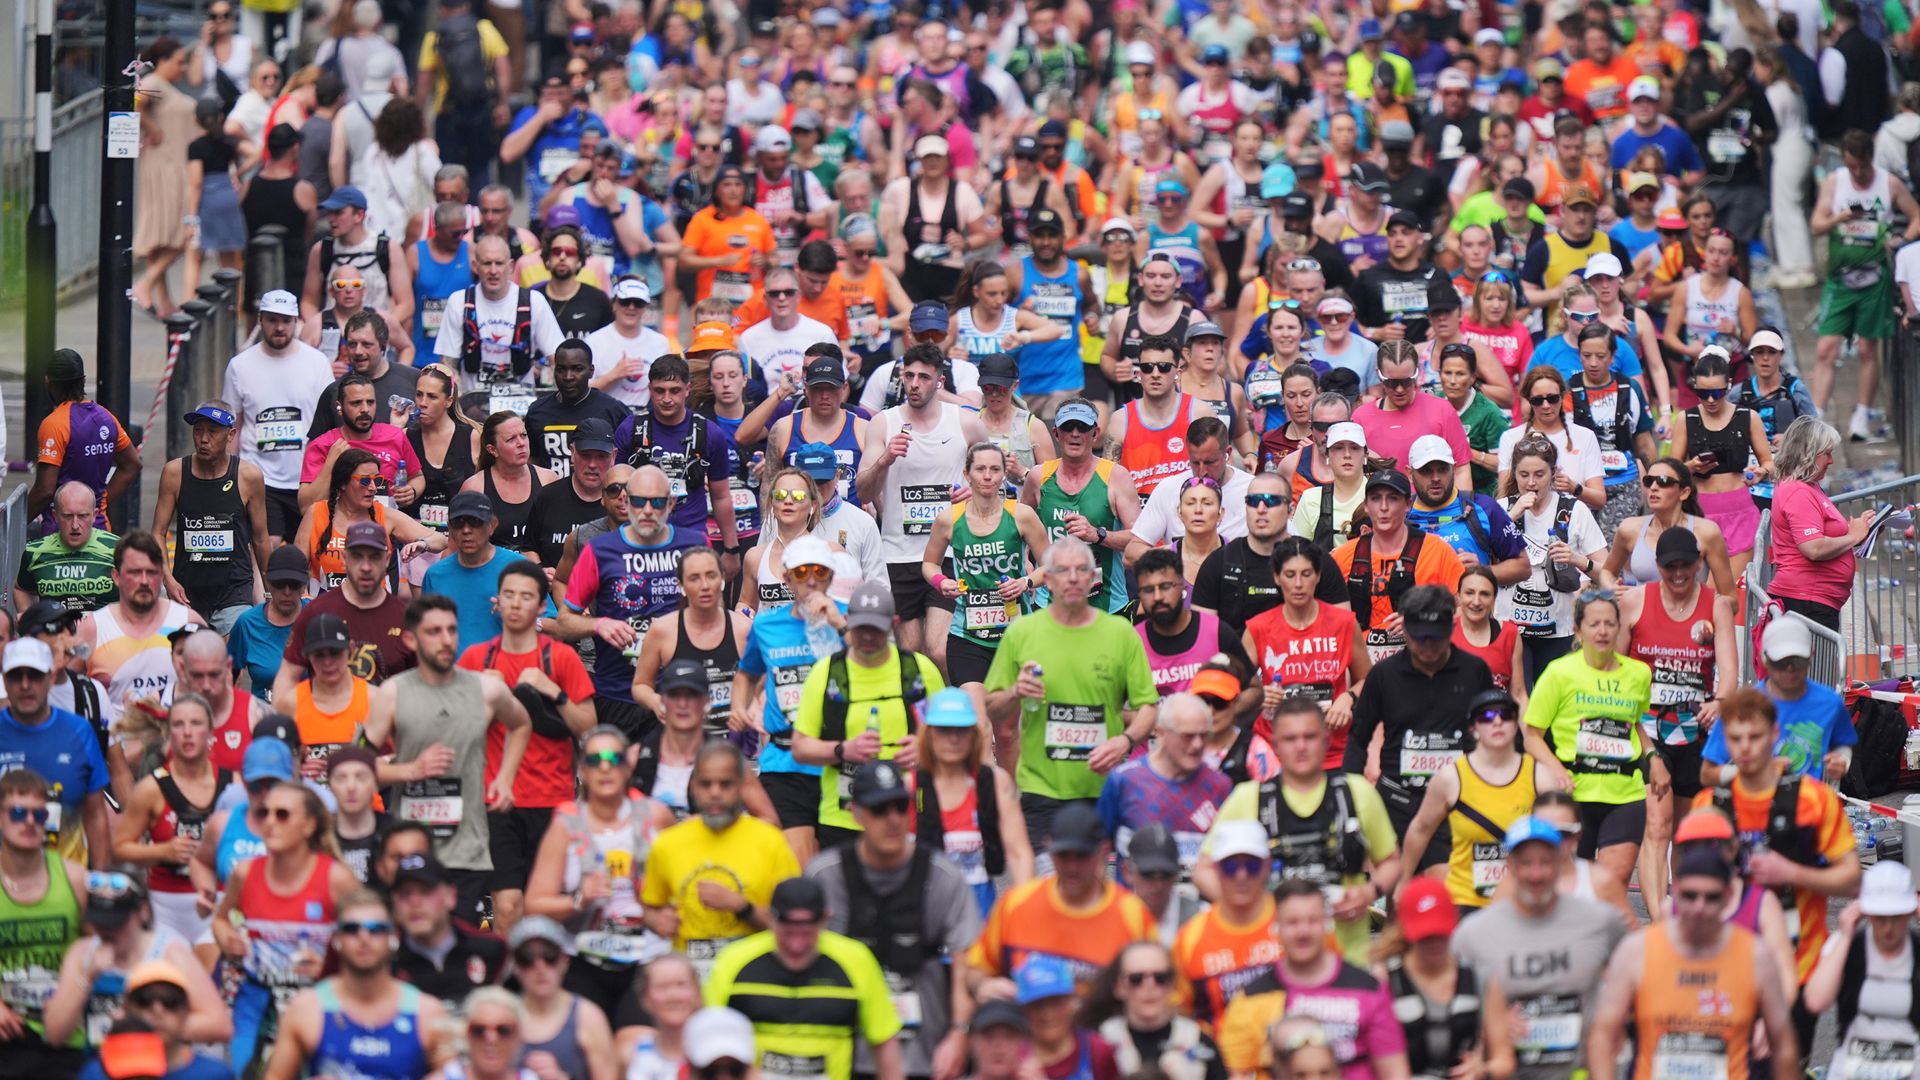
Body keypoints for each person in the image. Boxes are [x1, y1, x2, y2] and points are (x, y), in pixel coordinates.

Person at [1694, 687, 1860, 1052]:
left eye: (1755, 737)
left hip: (1799, 963)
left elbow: (1851, 879)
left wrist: (1792, 874)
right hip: (1726, 967)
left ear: (1774, 734)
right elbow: (1689, 890)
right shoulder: (1708, 805)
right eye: (1736, 739)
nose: (1746, 748)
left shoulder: (1813, 799)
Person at [806, 760, 982, 1080]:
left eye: (901, 807)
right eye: (879, 809)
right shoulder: (825, 876)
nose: (893, 820)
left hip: (925, 1052)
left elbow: (966, 963)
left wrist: (960, 1034)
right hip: (848, 1051)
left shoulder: (943, 876)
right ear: (856, 813)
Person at [361, 596, 530, 922]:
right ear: (411, 639)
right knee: (414, 942)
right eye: (434, 631)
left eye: (452, 630)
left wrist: (506, 778)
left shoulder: (486, 690)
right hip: (410, 850)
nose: (446, 640)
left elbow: (521, 724)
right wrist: (411, 770)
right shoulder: (392, 693)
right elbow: (357, 766)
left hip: (466, 849)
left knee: (458, 941)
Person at [454, 559, 594, 930]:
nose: (516, 603)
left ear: (541, 606)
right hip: (496, 800)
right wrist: (486, 699)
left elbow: (590, 729)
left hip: (552, 799)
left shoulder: (561, 657)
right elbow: (455, 735)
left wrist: (554, 693)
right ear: (496, 602)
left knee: (543, 907)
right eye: (509, 595)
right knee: (507, 907)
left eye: (526, 596)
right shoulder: (475, 659)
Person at [1584, 845, 1799, 1080]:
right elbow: (1603, 1035)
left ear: (1728, 896)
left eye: (1711, 897)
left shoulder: (1756, 956)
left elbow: (1784, 1045)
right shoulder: (1637, 951)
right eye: (1690, 896)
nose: (1699, 908)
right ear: (1675, 892)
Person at [1449, 815, 1629, 1079]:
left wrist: (1615, 1021)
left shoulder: (1600, 921)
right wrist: (1490, 1023)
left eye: (1545, 862)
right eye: (1526, 863)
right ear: (1509, 865)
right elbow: (1445, 1003)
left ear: (1559, 862)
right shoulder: (1473, 934)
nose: (1536, 874)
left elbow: (1636, 974)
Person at [1619, 526, 1736, 915]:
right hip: (1648, 729)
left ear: (1699, 563)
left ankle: (1683, 914)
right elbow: (1614, 668)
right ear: (1658, 567)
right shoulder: (1635, 601)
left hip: (1694, 728)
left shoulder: (1716, 605)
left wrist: (1720, 701)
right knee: (1657, 825)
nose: (1679, 574)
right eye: (1671, 567)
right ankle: (1658, 921)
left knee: (1685, 832)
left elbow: (1729, 671)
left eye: (1686, 565)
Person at [522, 725, 674, 1014]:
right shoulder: (565, 827)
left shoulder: (656, 816)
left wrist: (666, 912)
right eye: (595, 761)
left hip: (648, 959)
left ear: (628, 767)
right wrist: (579, 899)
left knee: (635, 1036)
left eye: (614, 759)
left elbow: (681, 884)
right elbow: (534, 904)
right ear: (583, 769)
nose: (605, 768)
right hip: (583, 958)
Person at [210, 781, 359, 1072]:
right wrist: (226, 938)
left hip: (317, 999)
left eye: (282, 815)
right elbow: (220, 919)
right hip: (255, 1002)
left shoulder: (335, 878)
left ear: (308, 825)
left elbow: (369, 934)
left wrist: (330, 963)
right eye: (264, 813)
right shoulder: (245, 872)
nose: (269, 822)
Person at [1343, 584, 1496, 868]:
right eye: (1418, 638)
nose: (1427, 646)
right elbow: (1357, 739)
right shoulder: (1383, 675)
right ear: (1404, 630)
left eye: (1435, 638)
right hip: (1397, 801)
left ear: (1451, 628)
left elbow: (1495, 733)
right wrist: (1351, 799)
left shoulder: (1474, 671)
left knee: (1448, 885)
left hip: (1454, 802)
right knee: (1394, 885)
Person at [790, 582, 947, 847]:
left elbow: (952, 738)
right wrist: (843, 750)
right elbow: (800, 747)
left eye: (876, 628)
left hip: (907, 816)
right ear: (848, 621)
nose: (868, 637)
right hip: (843, 818)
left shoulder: (920, 670)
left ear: (894, 623)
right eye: (861, 628)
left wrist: (925, 749)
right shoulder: (825, 673)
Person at [857, 346, 986, 668]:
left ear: (940, 381)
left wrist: (973, 491)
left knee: (939, 650)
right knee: (912, 656)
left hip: (949, 552)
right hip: (898, 554)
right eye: (909, 375)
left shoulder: (966, 423)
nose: (915, 384)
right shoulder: (883, 423)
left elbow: (993, 478)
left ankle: (952, 701)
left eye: (924, 377)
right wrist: (885, 459)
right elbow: (863, 490)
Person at [704, 875, 907, 1080]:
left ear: (825, 920)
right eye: (787, 934)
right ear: (771, 920)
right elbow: (705, 1037)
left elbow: (884, 1040)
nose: (796, 946)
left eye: (807, 934)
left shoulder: (856, 960)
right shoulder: (734, 959)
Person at [557, 465, 706, 739]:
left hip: (680, 691)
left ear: (671, 503)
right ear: (626, 501)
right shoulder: (599, 550)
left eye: (657, 502)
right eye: (638, 501)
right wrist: (598, 625)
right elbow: (564, 622)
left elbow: (715, 615)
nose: (647, 510)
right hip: (617, 693)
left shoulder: (695, 545)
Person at [1214, 879, 1411, 1080]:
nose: (1303, 932)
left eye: (1313, 920)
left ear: (1326, 923)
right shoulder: (1250, 998)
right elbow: (1234, 1073)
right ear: (1276, 926)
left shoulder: (1368, 990)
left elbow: (1395, 1073)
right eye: (1293, 922)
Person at [1522, 590, 1652, 890]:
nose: (1602, 631)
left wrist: (1654, 758)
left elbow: (1636, 724)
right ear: (1578, 631)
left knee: (1610, 887)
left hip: (1625, 794)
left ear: (1619, 628)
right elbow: (1532, 737)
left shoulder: (1639, 673)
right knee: (1568, 887)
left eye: (1609, 624)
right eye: (1594, 624)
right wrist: (1557, 770)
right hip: (1574, 794)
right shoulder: (1558, 673)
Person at [639, 742, 800, 980]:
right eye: (706, 784)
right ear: (693, 788)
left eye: (725, 784)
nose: (715, 793)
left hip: (752, 979)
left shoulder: (771, 842)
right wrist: (656, 920)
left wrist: (742, 907)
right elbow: (649, 907)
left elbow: (794, 928)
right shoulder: (668, 843)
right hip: (690, 982)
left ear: (741, 786)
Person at [965, 801, 1157, 995]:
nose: (1072, 867)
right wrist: (984, 986)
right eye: (1063, 856)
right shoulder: (1016, 904)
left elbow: (1159, 988)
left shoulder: (1132, 914)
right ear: (1049, 848)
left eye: (1082, 856)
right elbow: (974, 970)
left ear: (1104, 852)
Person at [262, 889, 447, 1080]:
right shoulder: (306, 1008)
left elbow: (456, 1074)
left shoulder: (427, 1012)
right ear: (336, 939)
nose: (364, 938)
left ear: (394, 937)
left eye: (376, 929)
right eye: (351, 929)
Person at [1811, 129, 1920, 440]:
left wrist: (1902, 241)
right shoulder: (1835, 182)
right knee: (1825, 349)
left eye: (1862, 166)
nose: (1857, 173)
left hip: (1875, 278)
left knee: (1867, 349)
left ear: (1871, 159)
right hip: (1840, 277)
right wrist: (1839, 218)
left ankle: (1861, 416)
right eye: (1852, 167)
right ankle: (1816, 418)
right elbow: (1816, 224)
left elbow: (1916, 216)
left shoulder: (1889, 183)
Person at [923, 442, 1050, 700]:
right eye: (980, 469)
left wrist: (1025, 582)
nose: (988, 476)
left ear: (1004, 474)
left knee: (1010, 718)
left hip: (1016, 632)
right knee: (977, 713)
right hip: (968, 637)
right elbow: (929, 564)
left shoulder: (1021, 515)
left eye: (994, 469)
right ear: (967, 474)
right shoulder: (948, 519)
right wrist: (941, 582)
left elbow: (1051, 565)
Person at [109, 695, 232, 943]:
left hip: (218, 903)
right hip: (167, 907)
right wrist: (164, 851)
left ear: (211, 731)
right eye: (178, 724)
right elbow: (118, 848)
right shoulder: (150, 789)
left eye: (196, 723)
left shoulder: (232, 785)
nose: (187, 732)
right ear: (168, 732)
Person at [222, 290, 339, 542]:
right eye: (272, 320)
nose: (279, 327)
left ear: (296, 322)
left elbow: (331, 422)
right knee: (267, 545)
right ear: (260, 320)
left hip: (307, 478)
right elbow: (233, 426)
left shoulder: (317, 362)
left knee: (307, 548)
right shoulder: (239, 366)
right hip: (260, 476)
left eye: (286, 321)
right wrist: (229, 475)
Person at [1498, 436, 1613, 686]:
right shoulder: (1501, 509)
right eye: (1524, 475)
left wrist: (1578, 560)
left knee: (1554, 700)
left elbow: (1609, 575)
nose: (1531, 483)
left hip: (1559, 630)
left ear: (1553, 473)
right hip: (1510, 627)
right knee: (1520, 699)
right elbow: (1483, 563)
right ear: (1513, 473)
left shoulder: (1574, 509)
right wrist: (1512, 515)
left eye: (1539, 474)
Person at [150, 403, 271, 633]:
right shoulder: (175, 473)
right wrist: (168, 580)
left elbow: (260, 538)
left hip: (234, 591)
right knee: (190, 653)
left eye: (212, 431)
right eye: (198, 430)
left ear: (230, 435)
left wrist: (270, 592)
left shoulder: (248, 476)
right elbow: (157, 532)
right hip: (187, 591)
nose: (203, 439)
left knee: (233, 653)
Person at [0, 767, 90, 1073]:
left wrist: (75, 992)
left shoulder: (75, 878)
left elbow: (102, 951)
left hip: (66, 1034)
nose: (29, 822)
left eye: (39, 815)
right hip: (7, 1033)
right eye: (17, 813)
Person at [1332, 470, 1467, 665]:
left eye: (1393, 498)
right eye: (1376, 498)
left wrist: (1424, 622)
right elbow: (1324, 618)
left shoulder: (1436, 550)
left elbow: (1467, 609)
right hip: (1360, 665)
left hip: (1423, 662)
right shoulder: (1344, 555)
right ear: (1366, 505)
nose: (1384, 507)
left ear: (1407, 504)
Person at [1021, 399, 1140, 617]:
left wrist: (1098, 535)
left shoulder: (1116, 476)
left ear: (1095, 433)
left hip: (1107, 605)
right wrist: (1025, 561)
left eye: (1083, 427)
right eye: (1068, 427)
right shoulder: (1039, 476)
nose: (1075, 434)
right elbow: (1019, 528)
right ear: (1056, 433)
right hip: (1049, 604)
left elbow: (1138, 539)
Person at [1704, 617, 1857, 785]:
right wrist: (1756, 772)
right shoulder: (1743, 706)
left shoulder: (1830, 703)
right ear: (1765, 659)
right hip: (1756, 800)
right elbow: (1707, 774)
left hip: (1807, 800)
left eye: (1798, 661)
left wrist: (1843, 762)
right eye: (1781, 662)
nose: (1789, 669)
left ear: (1811, 655)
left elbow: (1844, 744)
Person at [271, 522, 417, 696]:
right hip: (328, 712)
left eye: (375, 557)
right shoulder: (317, 612)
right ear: (344, 558)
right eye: (357, 556)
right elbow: (287, 676)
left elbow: (422, 687)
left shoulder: (405, 618)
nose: (366, 567)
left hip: (387, 712)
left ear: (387, 560)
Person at [1, 638, 112, 867]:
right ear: (4, 679)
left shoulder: (79, 732)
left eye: (34, 675)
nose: (25, 685)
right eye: (16, 676)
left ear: (50, 678)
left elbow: (95, 815)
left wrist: (100, 878)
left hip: (69, 879)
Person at [1804, 860, 1920, 1078]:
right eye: (1880, 917)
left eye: (1896, 917)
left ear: (1909, 912)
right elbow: (1816, 1000)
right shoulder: (1848, 946)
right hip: (1852, 1068)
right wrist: (1845, 935)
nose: (1888, 928)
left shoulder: (1916, 949)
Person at [1763, 417, 1871, 633]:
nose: (1831, 461)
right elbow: (1813, 548)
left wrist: (1864, 532)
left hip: (1813, 601)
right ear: (1808, 454)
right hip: (1805, 603)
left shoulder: (1808, 486)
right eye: (1827, 453)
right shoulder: (1798, 491)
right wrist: (1853, 537)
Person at [1169, 819, 1276, 1030]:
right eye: (1230, 866)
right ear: (1216, 869)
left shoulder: (1294, 922)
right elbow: (1179, 1012)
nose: (1241, 876)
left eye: (1252, 865)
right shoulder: (1190, 939)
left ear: (1266, 866)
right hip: (1217, 1048)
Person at [433, 234, 567, 401]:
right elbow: (448, 364)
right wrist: (460, 404)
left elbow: (558, 358)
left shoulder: (534, 302)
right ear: (475, 266)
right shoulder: (459, 302)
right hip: (473, 404)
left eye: (499, 263)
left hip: (523, 403)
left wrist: (556, 402)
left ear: (511, 266)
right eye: (487, 263)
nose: (493, 271)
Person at [26, 351, 140, 541]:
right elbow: (132, 464)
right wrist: (98, 503)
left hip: (59, 535)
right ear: (83, 380)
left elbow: (45, 490)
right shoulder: (106, 418)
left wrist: (14, 522)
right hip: (99, 530)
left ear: (48, 382)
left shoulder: (54, 424)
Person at [1084, 939, 1228, 1080]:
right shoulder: (1096, 1043)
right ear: (1118, 987)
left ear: (1172, 984)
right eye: (1136, 979)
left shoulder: (1199, 1042)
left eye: (1160, 978)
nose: (1149, 986)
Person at [387, 852, 509, 1005]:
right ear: (394, 903)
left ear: (451, 896)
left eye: (425, 891)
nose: (414, 902)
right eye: (405, 894)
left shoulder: (493, 950)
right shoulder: (386, 963)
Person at [1602, 459, 1738, 595]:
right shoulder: (1630, 528)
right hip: (1640, 609)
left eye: (1663, 481)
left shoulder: (1707, 532)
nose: (1653, 487)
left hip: (1691, 609)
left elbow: (1729, 598)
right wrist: (1611, 588)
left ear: (1684, 493)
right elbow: (1607, 571)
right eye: (1649, 481)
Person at [1406, 435, 1529, 578]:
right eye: (1426, 471)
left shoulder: (1484, 508)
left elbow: (1523, 567)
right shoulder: (1399, 514)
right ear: (1410, 474)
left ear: (1453, 469)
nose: (1436, 478)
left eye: (1442, 469)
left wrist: (1481, 571)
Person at [15, 482, 121, 615]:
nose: (75, 525)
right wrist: (28, 617)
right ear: (55, 516)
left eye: (82, 516)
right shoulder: (34, 552)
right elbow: (22, 589)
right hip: (55, 627)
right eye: (67, 516)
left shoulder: (117, 549)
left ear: (94, 515)